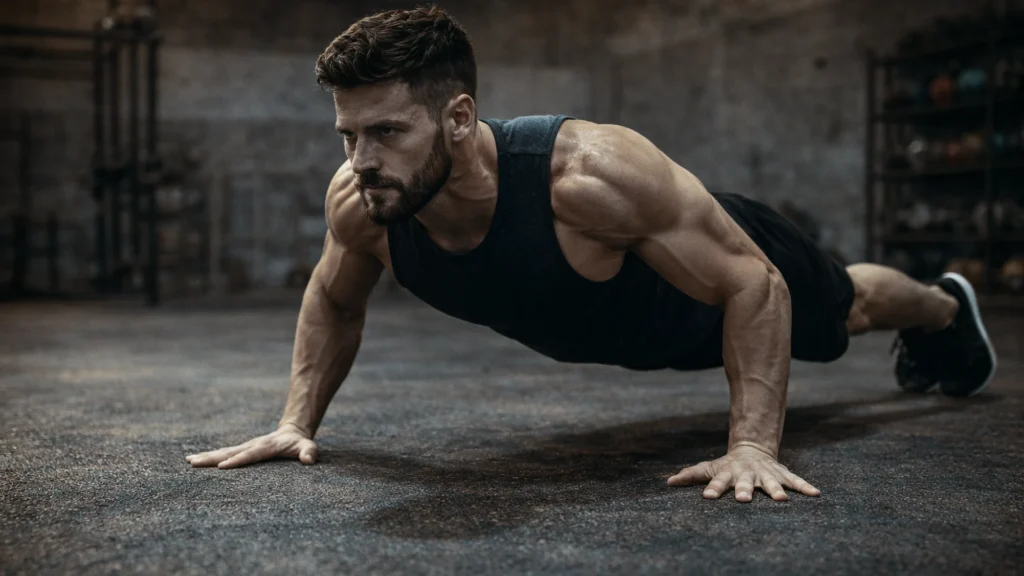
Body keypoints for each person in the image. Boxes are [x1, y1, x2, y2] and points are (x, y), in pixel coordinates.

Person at [185, 6, 998, 503]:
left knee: (843, 310)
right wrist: (295, 422)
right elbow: (334, 298)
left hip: (716, 284)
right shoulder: (365, 202)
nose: (361, 159)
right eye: (349, 134)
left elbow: (753, 281)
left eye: (387, 132)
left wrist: (752, 445)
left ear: (460, 117)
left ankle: (943, 308)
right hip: (638, 333)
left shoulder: (588, 176)